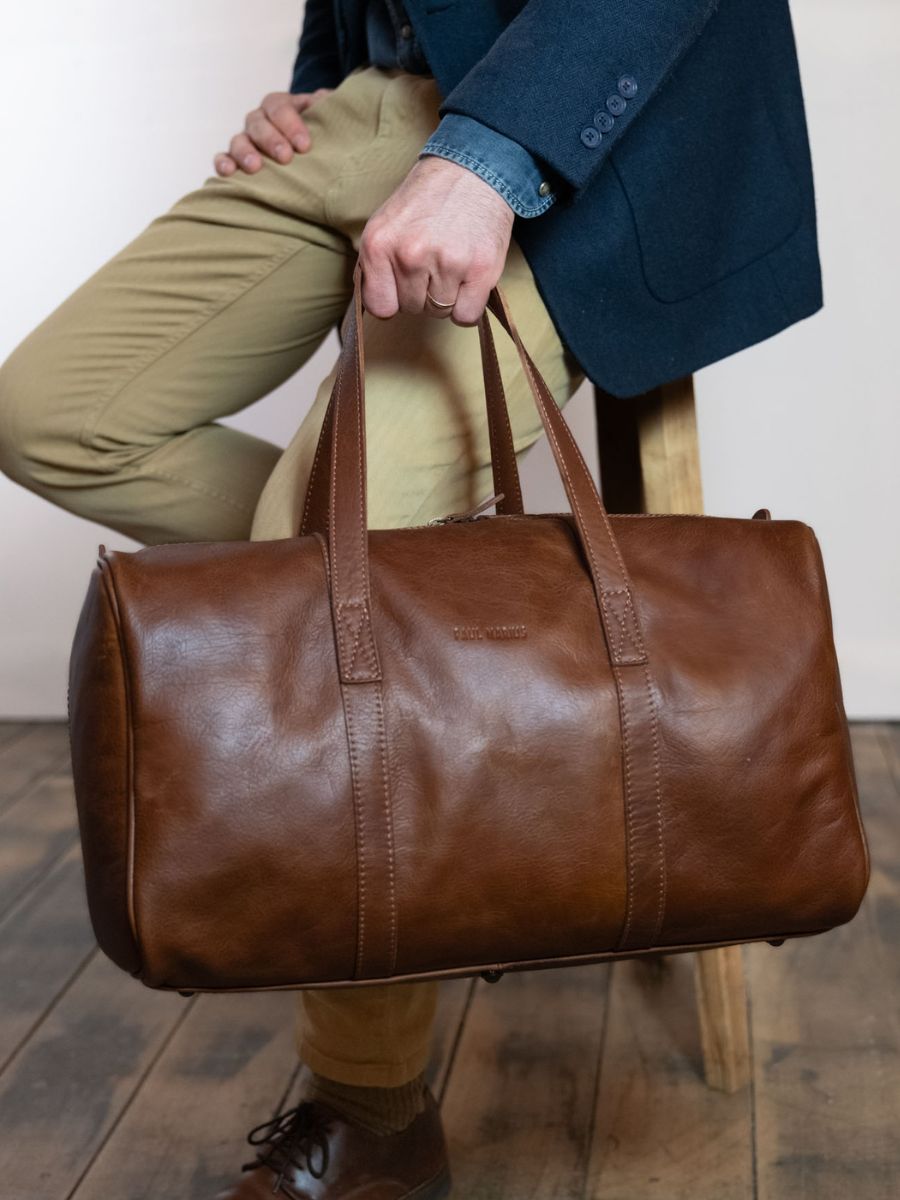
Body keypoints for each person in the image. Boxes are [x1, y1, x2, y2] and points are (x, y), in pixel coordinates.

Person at [0, 1, 822, 1196]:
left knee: (338, 568)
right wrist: (319, 72)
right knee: (54, 414)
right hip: (376, 100)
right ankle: (422, 626)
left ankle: (374, 1110)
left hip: (587, 143)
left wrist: (490, 157)